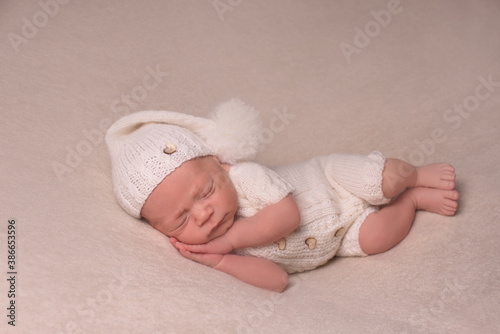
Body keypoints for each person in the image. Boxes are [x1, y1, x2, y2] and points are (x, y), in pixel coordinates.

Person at [106, 99, 459, 292]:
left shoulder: (244, 177)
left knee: (384, 178)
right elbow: (277, 280)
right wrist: (220, 262)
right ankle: (412, 200)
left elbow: (287, 217)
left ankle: (416, 175)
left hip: (333, 180)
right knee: (378, 238)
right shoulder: (218, 248)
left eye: (206, 192)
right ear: (160, 229)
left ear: (221, 165)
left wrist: (228, 243)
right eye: (181, 219)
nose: (203, 215)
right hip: (339, 238)